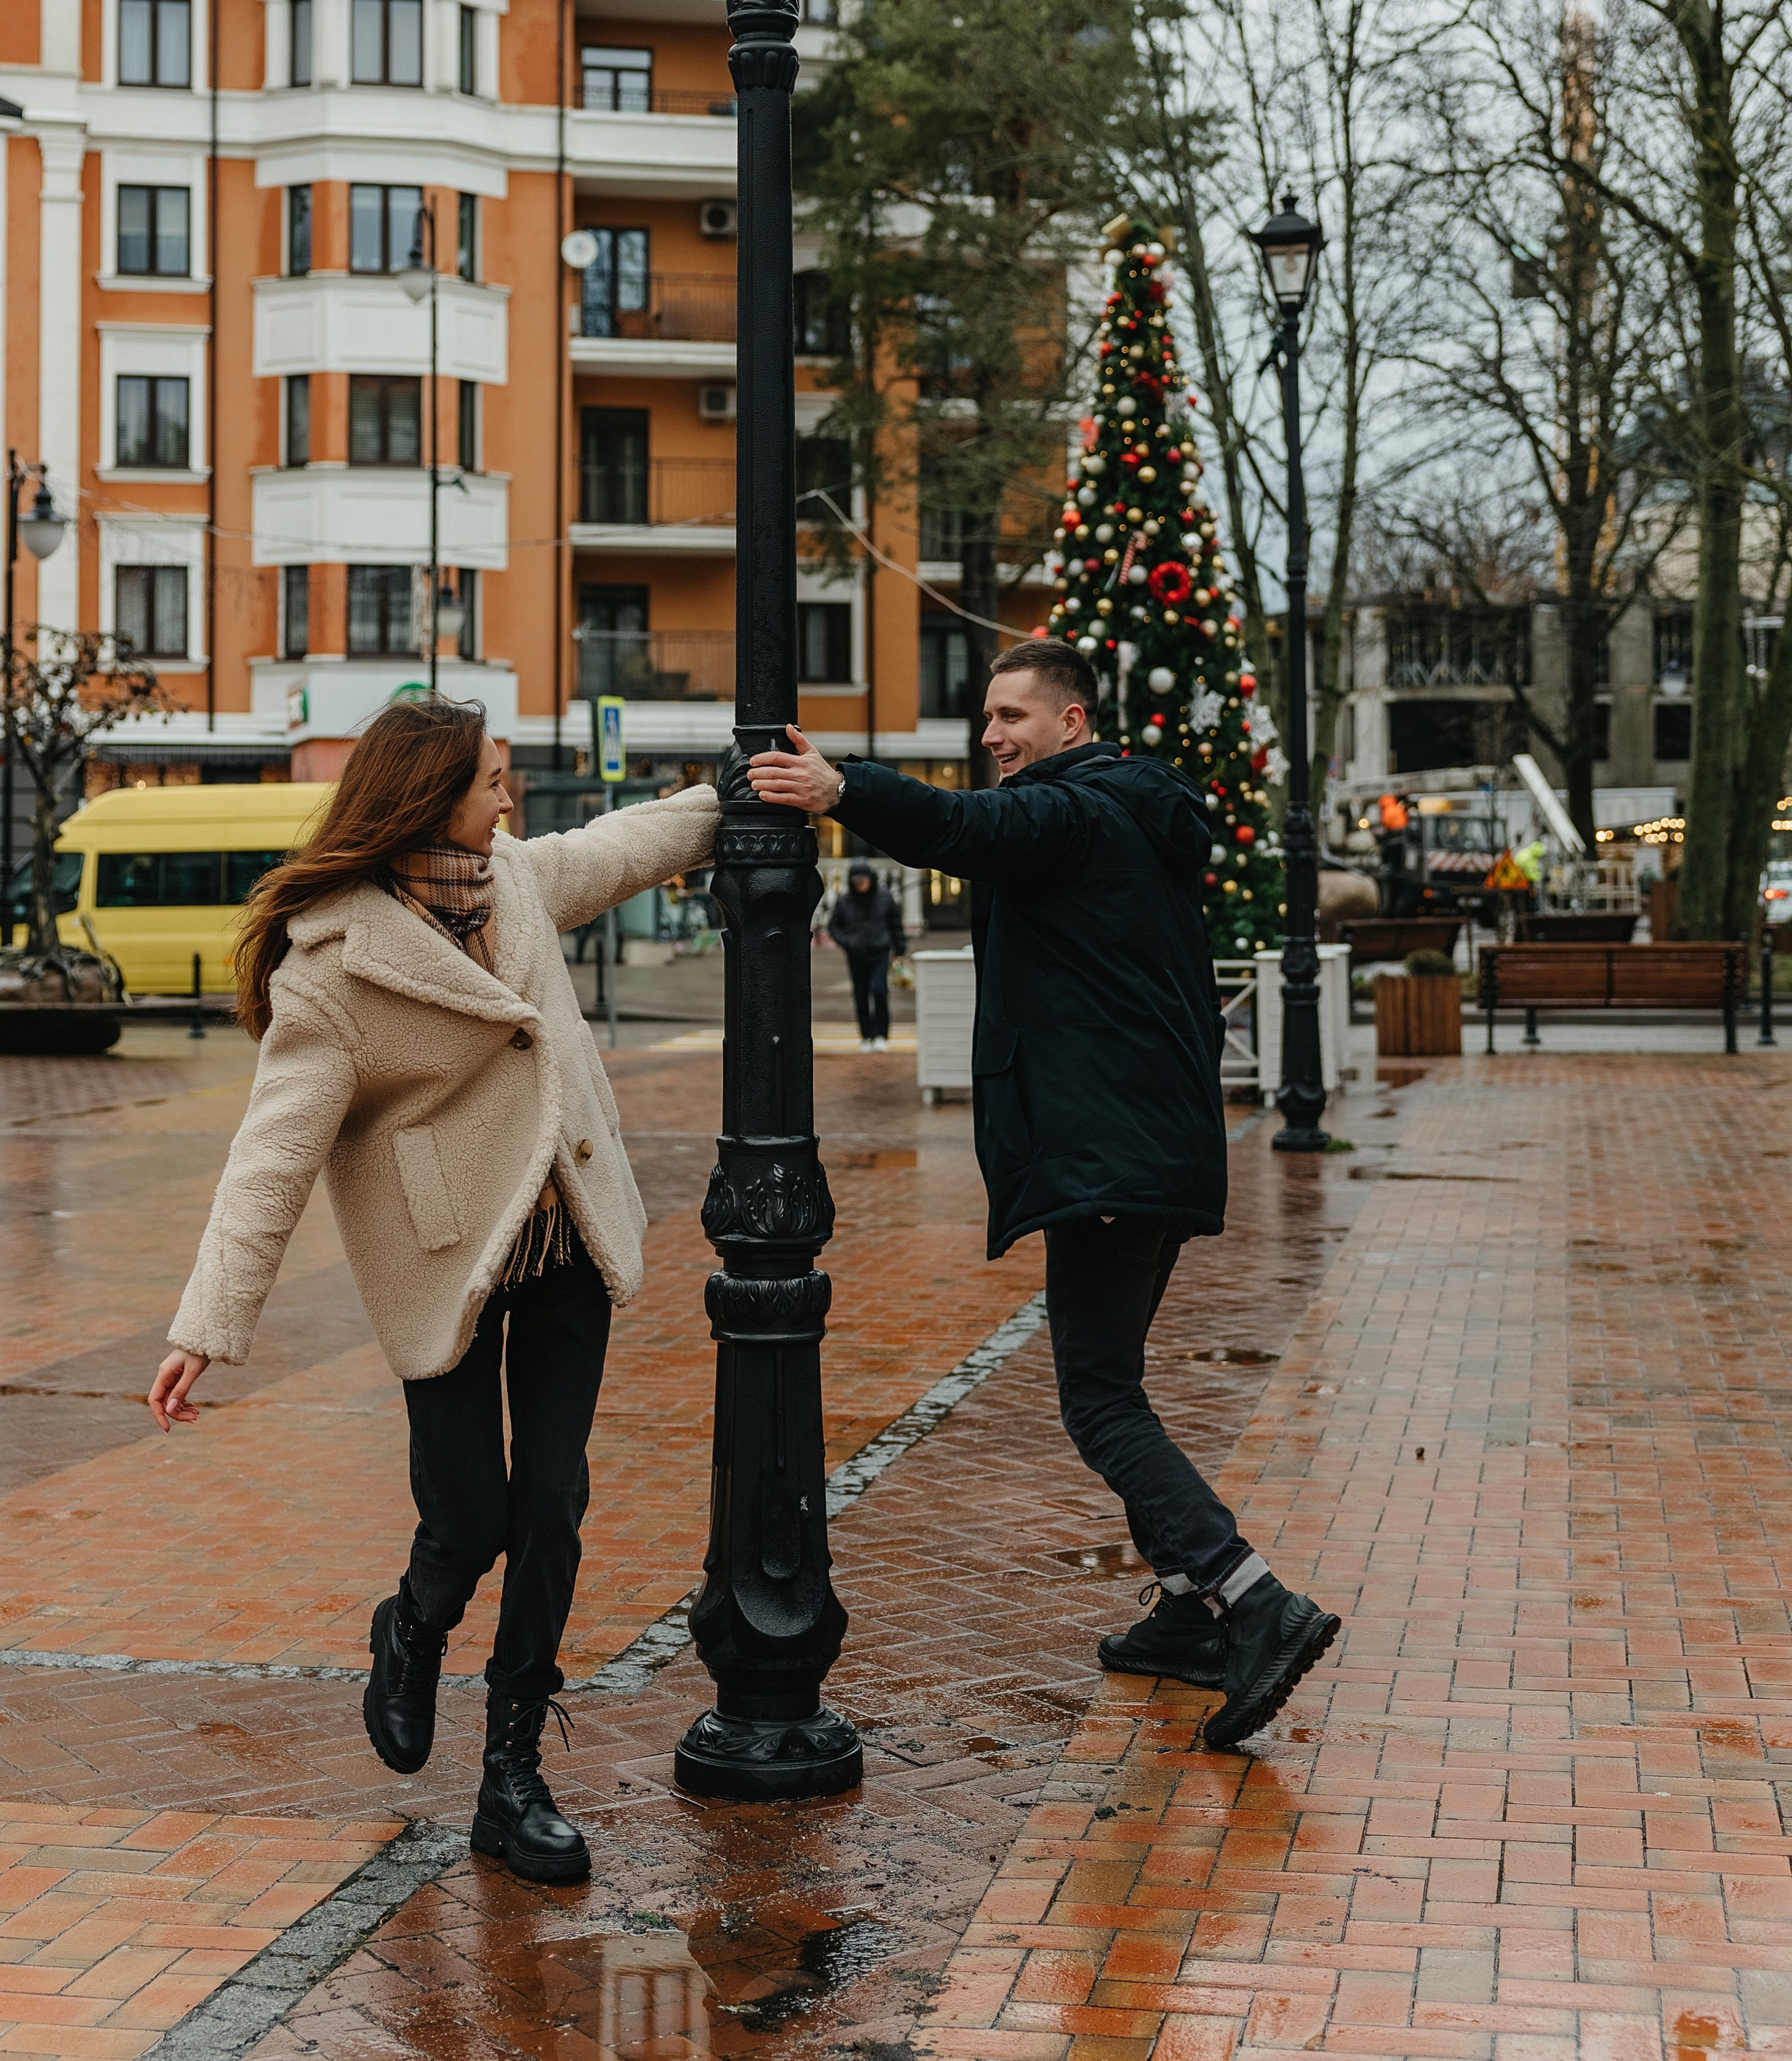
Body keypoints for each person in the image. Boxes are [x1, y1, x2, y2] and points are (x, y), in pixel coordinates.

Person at [148, 693, 718, 1881]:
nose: (508, 798)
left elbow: (620, 846)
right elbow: (274, 1150)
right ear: (429, 793)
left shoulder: (514, 878)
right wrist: (210, 1321)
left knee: (553, 1502)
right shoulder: (335, 962)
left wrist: (736, 794)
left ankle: (513, 1773)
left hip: (568, 1239)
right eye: (491, 779)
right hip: (446, 1255)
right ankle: (411, 1624)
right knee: (470, 1516)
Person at [747, 639, 1340, 1750]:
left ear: (1072, 724)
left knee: (1099, 1397)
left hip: (1113, 1152)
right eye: (987, 719)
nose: (992, 737)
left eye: (1013, 717)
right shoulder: (1119, 809)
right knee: (1109, 1380)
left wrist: (843, 789)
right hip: (1140, 1147)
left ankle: (1253, 1601)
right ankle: (1183, 1614)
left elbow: (978, 832)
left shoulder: (1083, 812)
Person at [828, 859, 907, 1051]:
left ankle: (881, 1034)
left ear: (871, 879)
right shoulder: (845, 900)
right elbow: (834, 926)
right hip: (856, 954)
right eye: (857, 881)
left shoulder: (885, 897)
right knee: (861, 995)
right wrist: (848, 942)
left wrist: (900, 951)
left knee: (879, 990)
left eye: (863, 880)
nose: (861, 884)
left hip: (880, 952)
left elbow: (895, 925)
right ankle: (867, 1036)